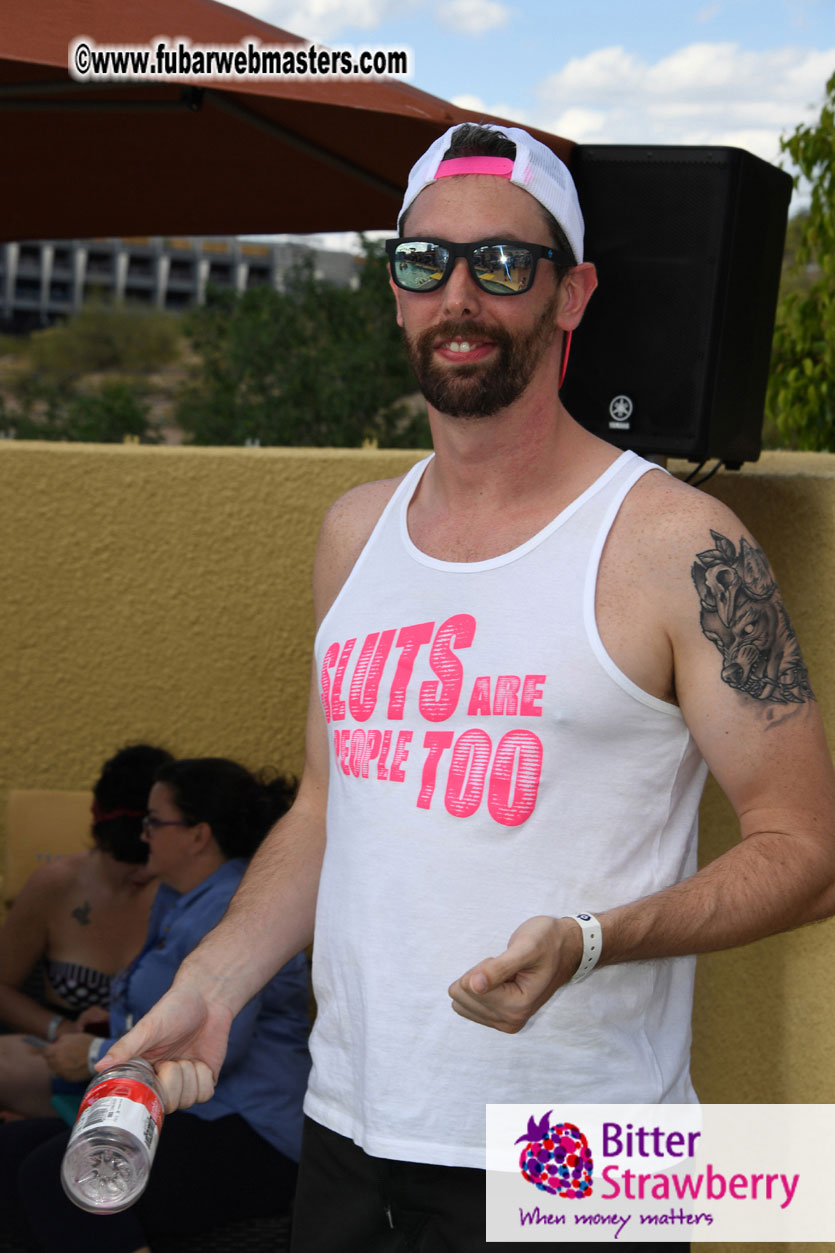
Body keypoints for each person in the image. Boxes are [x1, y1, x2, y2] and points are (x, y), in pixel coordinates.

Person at [95, 124, 835, 1252]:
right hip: (350, 1126)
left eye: (501, 263)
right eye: (422, 262)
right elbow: (329, 808)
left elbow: (808, 849)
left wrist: (594, 937)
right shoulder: (355, 533)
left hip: (581, 1155)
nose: (458, 294)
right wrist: (214, 979)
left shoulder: (678, 544)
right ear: (392, 294)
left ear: (571, 294)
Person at [0, 756, 311, 1252]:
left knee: (54, 1180)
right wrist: (112, 1021)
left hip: (251, 1131)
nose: (142, 833)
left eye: (154, 821)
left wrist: (91, 1052)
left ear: (197, 836)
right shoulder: (177, 896)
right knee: (11, 1153)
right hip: (180, 1107)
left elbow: (220, 1044)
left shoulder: (233, 904)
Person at [0, 744, 171, 1117]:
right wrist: (60, 1030)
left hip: (156, 1070)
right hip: (65, 1059)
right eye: (123, 859)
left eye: (149, 859)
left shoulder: (188, 896)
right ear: (99, 835)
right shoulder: (55, 885)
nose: (139, 875)